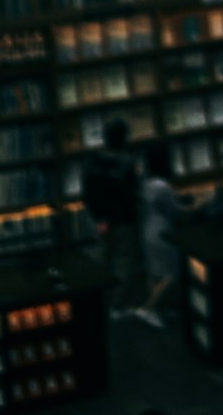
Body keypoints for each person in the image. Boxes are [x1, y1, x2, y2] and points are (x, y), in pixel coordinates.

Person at [82, 116, 142, 317]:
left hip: (101, 221)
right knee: (124, 264)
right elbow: (131, 193)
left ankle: (95, 304)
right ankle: (116, 306)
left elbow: (87, 193)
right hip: (124, 220)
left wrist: (99, 217)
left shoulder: (92, 161)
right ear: (124, 137)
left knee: (100, 260)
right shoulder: (128, 162)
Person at [136, 140, 188, 329]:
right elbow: (175, 211)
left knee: (154, 273)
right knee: (171, 273)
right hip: (162, 233)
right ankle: (148, 308)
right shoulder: (163, 186)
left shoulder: (145, 183)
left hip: (147, 230)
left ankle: (156, 309)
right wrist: (199, 204)